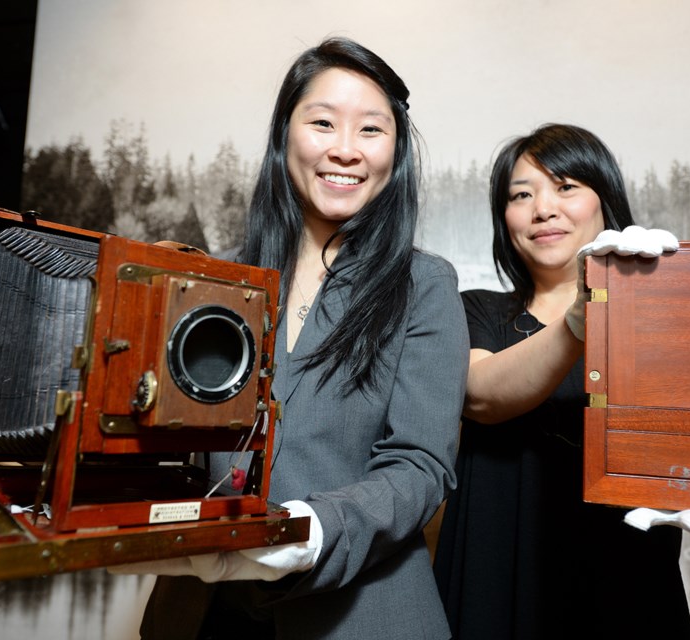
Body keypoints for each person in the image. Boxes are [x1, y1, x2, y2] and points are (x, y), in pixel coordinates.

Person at [118, 37, 470, 639]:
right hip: (201, 612)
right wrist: (23, 483)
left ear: (397, 150)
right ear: (285, 134)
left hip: (360, 613)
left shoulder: (423, 285)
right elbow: (162, 436)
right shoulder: (212, 283)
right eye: (323, 122)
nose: (344, 150)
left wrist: (310, 531)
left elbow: (419, 465)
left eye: (371, 130)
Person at [431, 123, 690, 639]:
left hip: (625, 584)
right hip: (498, 582)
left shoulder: (667, 318)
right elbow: (481, 394)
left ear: (605, 201)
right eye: (522, 195)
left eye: (566, 187)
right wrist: (582, 315)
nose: (543, 208)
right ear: (504, 218)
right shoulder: (474, 309)